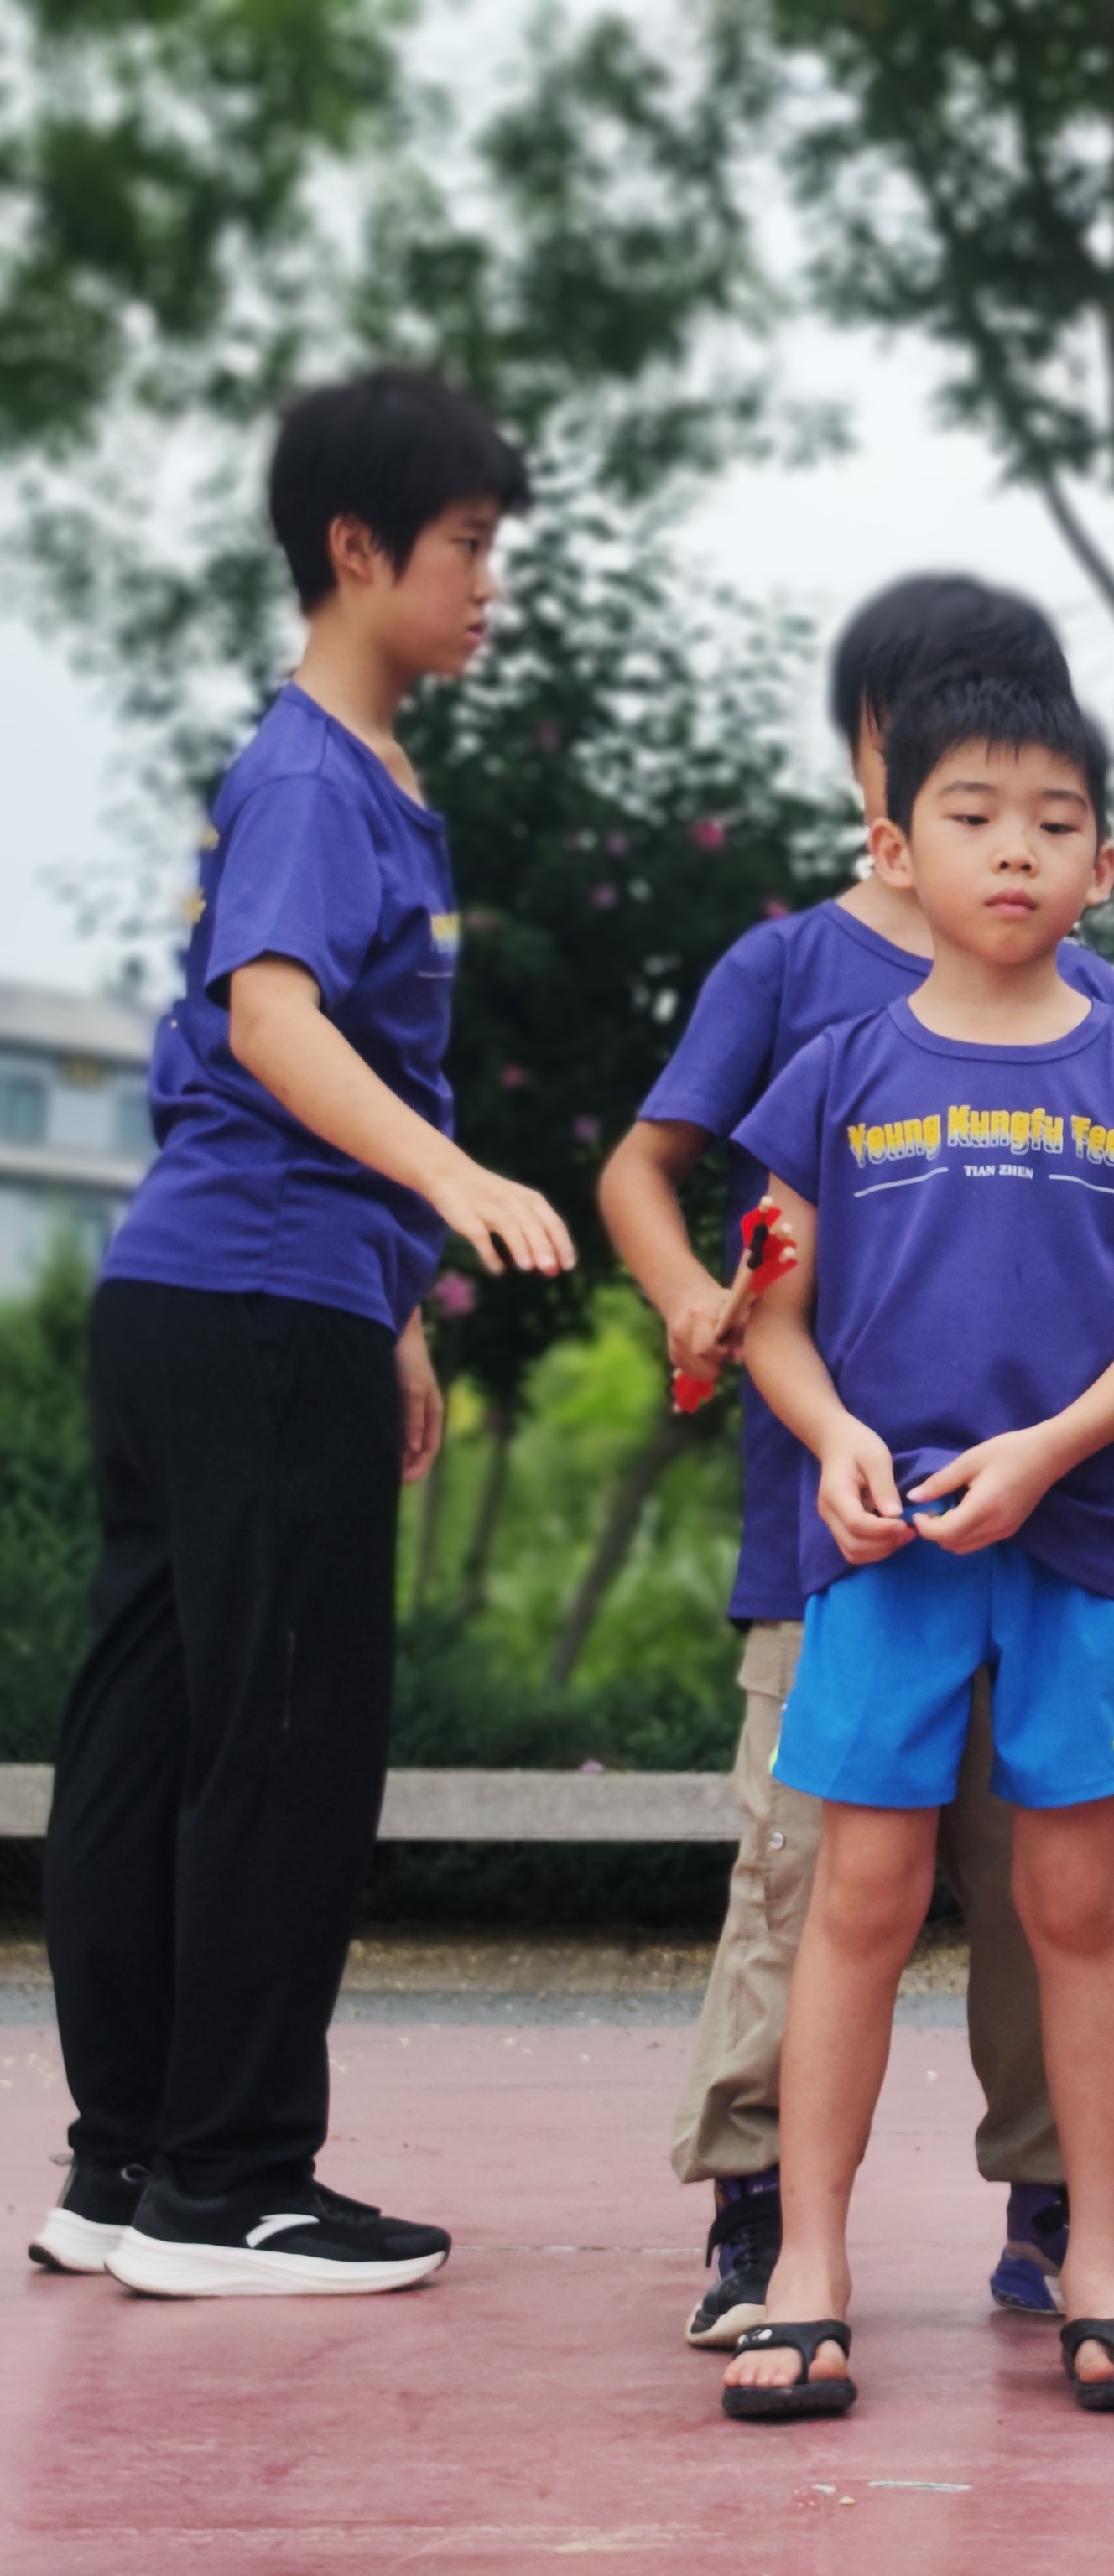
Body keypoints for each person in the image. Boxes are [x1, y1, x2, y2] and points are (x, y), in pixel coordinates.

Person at [600, 574, 1114, 2350]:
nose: (1008, 830)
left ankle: (1073, 2212)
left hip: (1063, 1530)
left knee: (1062, 1889)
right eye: (957, 773)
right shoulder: (807, 995)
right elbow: (693, 1213)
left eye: (1051, 796)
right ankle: (771, 2222)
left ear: (1096, 840)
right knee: (819, 1882)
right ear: (883, 783)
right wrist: (717, 1331)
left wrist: (1048, 1450)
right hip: (851, 1536)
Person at [28, 370, 568, 2293]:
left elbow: (280, 1073)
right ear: (359, 552)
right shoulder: (319, 775)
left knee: (155, 1728)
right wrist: (455, 1183)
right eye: (470, 549)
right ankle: (229, 2184)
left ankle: (123, 2166)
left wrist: (394, 1309)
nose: (493, 584)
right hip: (252, 1314)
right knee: (279, 1744)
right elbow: (273, 1020)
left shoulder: (341, 771)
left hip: (222, 1296)